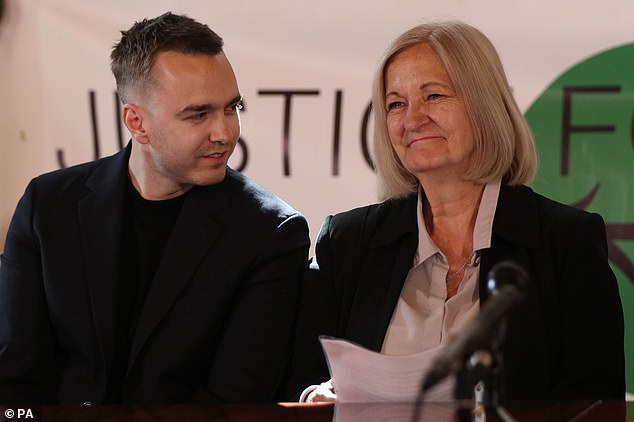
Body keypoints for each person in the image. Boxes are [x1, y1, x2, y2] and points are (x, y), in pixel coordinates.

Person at [283, 20, 624, 402]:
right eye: (396, 103)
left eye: (434, 96)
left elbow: (594, 404)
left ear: (484, 105)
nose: (412, 120)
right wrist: (317, 397)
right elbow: (300, 385)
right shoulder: (346, 244)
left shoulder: (566, 243)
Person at [0, 12, 309, 405]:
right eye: (199, 114)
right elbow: (16, 378)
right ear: (137, 122)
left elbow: (232, 403)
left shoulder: (270, 232)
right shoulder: (48, 206)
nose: (226, 133)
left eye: (232, 108)